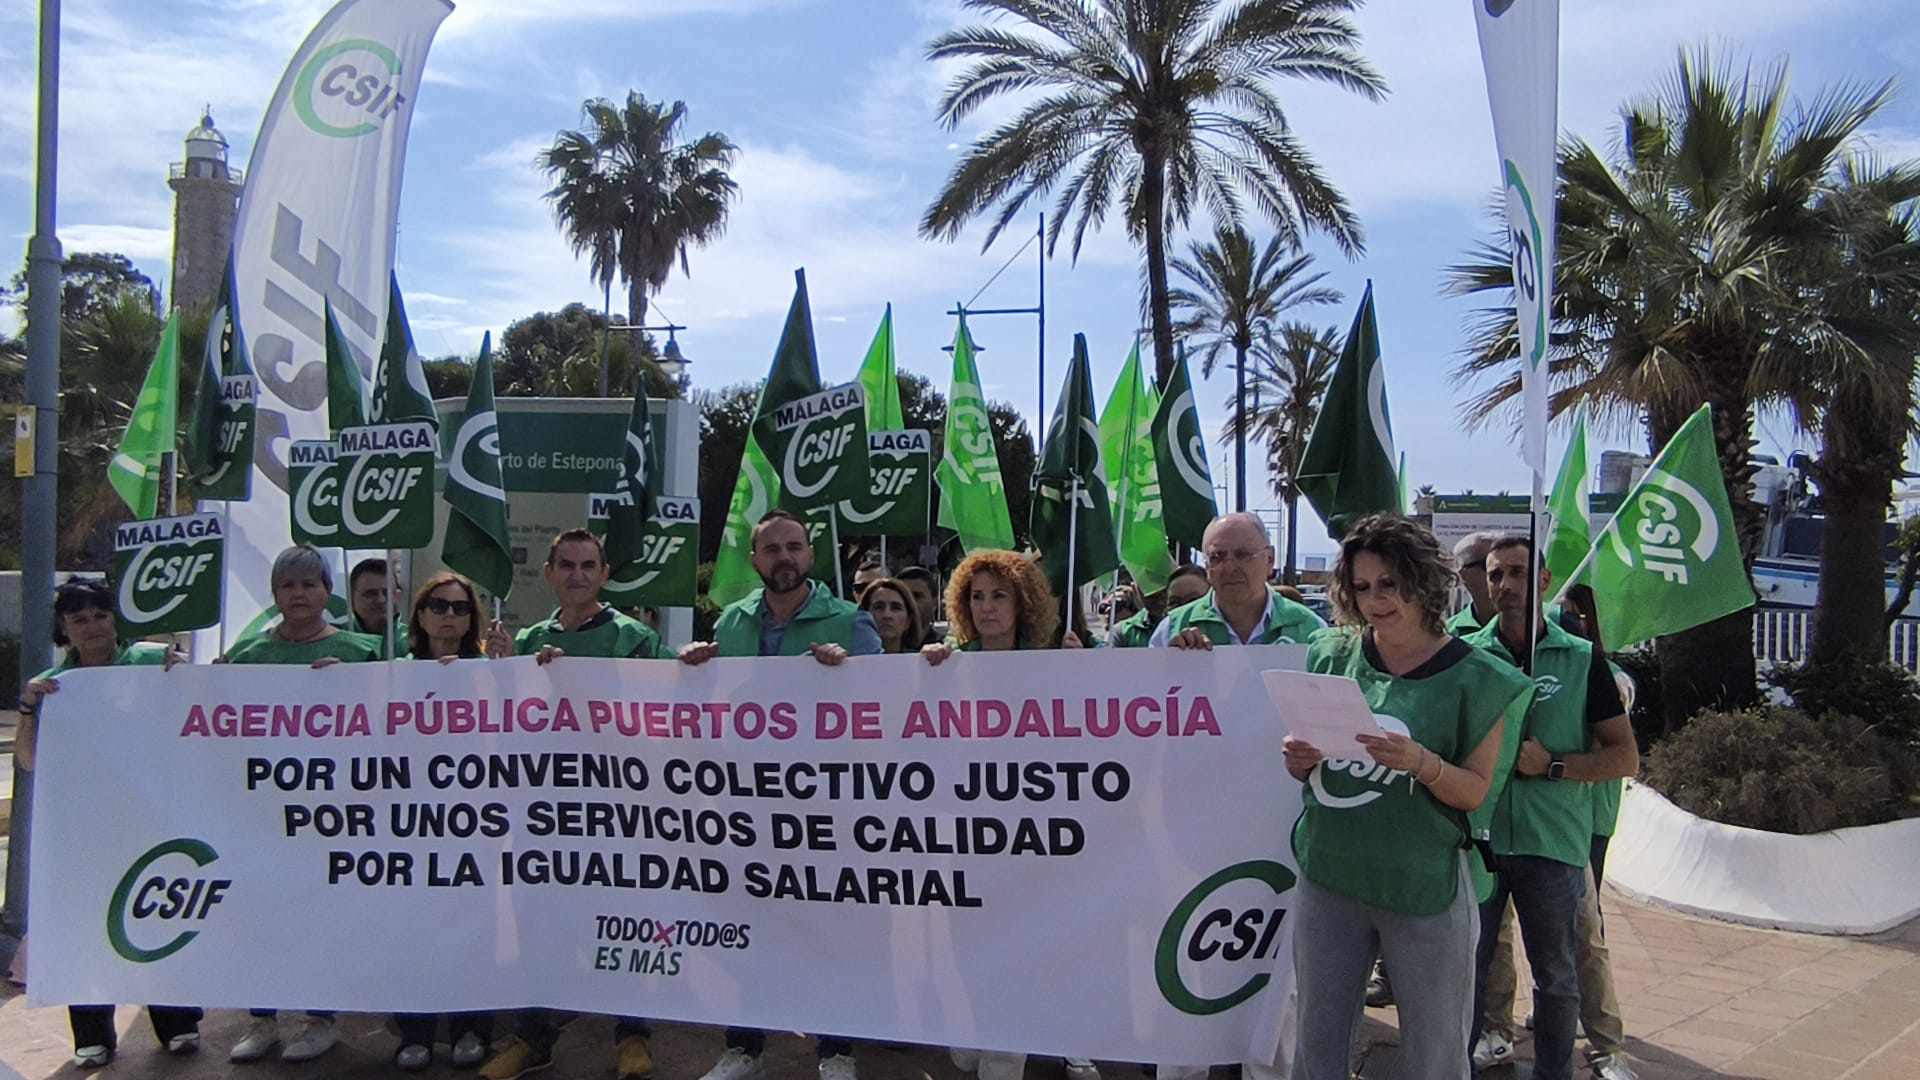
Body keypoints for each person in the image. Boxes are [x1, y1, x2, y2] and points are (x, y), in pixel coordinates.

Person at [1280, 514, 1533, 1080]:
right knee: (1315, 1048)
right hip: (1330, 876)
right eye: (1363, 587)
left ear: (1422, 582)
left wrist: (1422, 763)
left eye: (1389, 584)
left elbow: (1474, 793)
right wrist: (1300, 763)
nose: (1376, 600)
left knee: (1436, 1054)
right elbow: (1320, 772)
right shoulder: (1329, 654)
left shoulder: (1482, 678)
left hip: (1425, 887)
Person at [682, 509, 879, 1080]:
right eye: (772, 550)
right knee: (747, 926)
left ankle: (836, 1050)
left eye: (794, 547)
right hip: (747, 807)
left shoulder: (849, 620)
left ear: (810, 555)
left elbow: (886, 709)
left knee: (828, 929)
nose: (784, 558)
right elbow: (715, 706)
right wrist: (693, 668)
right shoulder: (732, 625)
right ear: (754, 561)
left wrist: (852, 676)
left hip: (826, 808)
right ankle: (745, 1047)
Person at [480, 529, 664, 1080]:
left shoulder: (634, 637)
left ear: (605, 574)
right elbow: (507, 725)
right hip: (548, 811)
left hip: (617, 807)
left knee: (628, 921)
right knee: (542, 925)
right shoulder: (530, 638)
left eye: (589, 565)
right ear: (552, 572)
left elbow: (664, 709)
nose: (579, 574)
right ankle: (535, 1038)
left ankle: (634, 1034)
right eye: (568, 565)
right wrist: (501, 672)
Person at [1465, 537, 1638, 1080]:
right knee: (1467, 973)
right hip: (1480, 843)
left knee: (1558, 978)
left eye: (1518, 573)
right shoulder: (1467, 651)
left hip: (1551, 844)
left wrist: (1553, 765)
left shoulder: (1582, 658)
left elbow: (1624, 757)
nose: (1505, 585)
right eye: (1496, 575)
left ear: (1542, 582)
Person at [921, 550, 1098, 1080]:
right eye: (977, 596)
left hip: (1031, 844)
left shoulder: (1053, 664)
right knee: (966, 954)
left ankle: (1008, 1058)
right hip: (962, 841)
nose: (987, 607)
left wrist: (1080, 676)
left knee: (1018, 954)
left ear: (1023, 603)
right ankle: (979, 1038)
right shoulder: (946, 665)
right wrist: (927, 671)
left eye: (999, 595)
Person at [16, 580, 202, 1069]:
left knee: (160, 916)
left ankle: (178, 1023)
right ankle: (93, 1032)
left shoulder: (152, 664)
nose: (92, 624)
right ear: (64, 628)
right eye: (80, 618)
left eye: (101, 614)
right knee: (86, 927)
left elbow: (194, 722)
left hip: (151, 822)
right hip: (86, 834)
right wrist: (29, 707)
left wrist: (184, 678)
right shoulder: (54, 685)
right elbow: (30, 759)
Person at [226, 546, 382, 1063]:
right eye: (288, 586)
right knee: (260, 912)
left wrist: (351, 688)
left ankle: (321, 1019)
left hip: (331, 813)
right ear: (275, 596)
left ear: (327, 592)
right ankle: (262, 1019)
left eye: (309, 584)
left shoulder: (362, 652)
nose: (298, 594)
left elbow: (393, 723)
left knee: (321, 914)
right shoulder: (245, 657)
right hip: (263, 811)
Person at [391, 572, 493, 1070]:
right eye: (438, 605)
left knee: (475, 931)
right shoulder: (393, 673)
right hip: (414, 828)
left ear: (473, 617)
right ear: (421, 615)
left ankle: (472, 1028)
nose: (449, 615)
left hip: (477, 827)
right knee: (413, 931)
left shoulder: (496, 673)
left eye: (460, 607)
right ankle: (415, 1031)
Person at [1153, 514, 1324, 649]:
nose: (1230, 567)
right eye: (1217, 557)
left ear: (1270, 559)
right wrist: (1172, 664)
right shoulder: (1171, 630)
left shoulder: (1310, 629)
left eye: (1243, 555)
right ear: (1206, 565)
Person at [1105, 565, 1210, 647]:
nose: (1184, 609)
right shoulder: (1160, 635)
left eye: (1193, 600)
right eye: (1175, 602)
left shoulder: (1222, 626)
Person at [349, 556, 407, 657]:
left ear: (397, 596)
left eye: (387, 593)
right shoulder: (334, 642)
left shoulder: (417, 640)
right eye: (370, 594)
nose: (381, 600)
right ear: (351, 598)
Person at [1446, 532, 1500, 634]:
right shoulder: (1449, 633)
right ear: (1464, 575)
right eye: (1488, 564)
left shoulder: (1533, 626)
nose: (1502, 575)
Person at [857, 576, 925, 654]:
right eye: (878, 607)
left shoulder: (923, 660)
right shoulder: (848, 660)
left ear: (908, 621)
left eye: (896, 608)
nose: (887, 615)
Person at [897, 565, 946, 646]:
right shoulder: (880, 647)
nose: (910, 602)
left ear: (935, 602)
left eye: (917, 596)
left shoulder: (946, 649)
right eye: (903, 596)